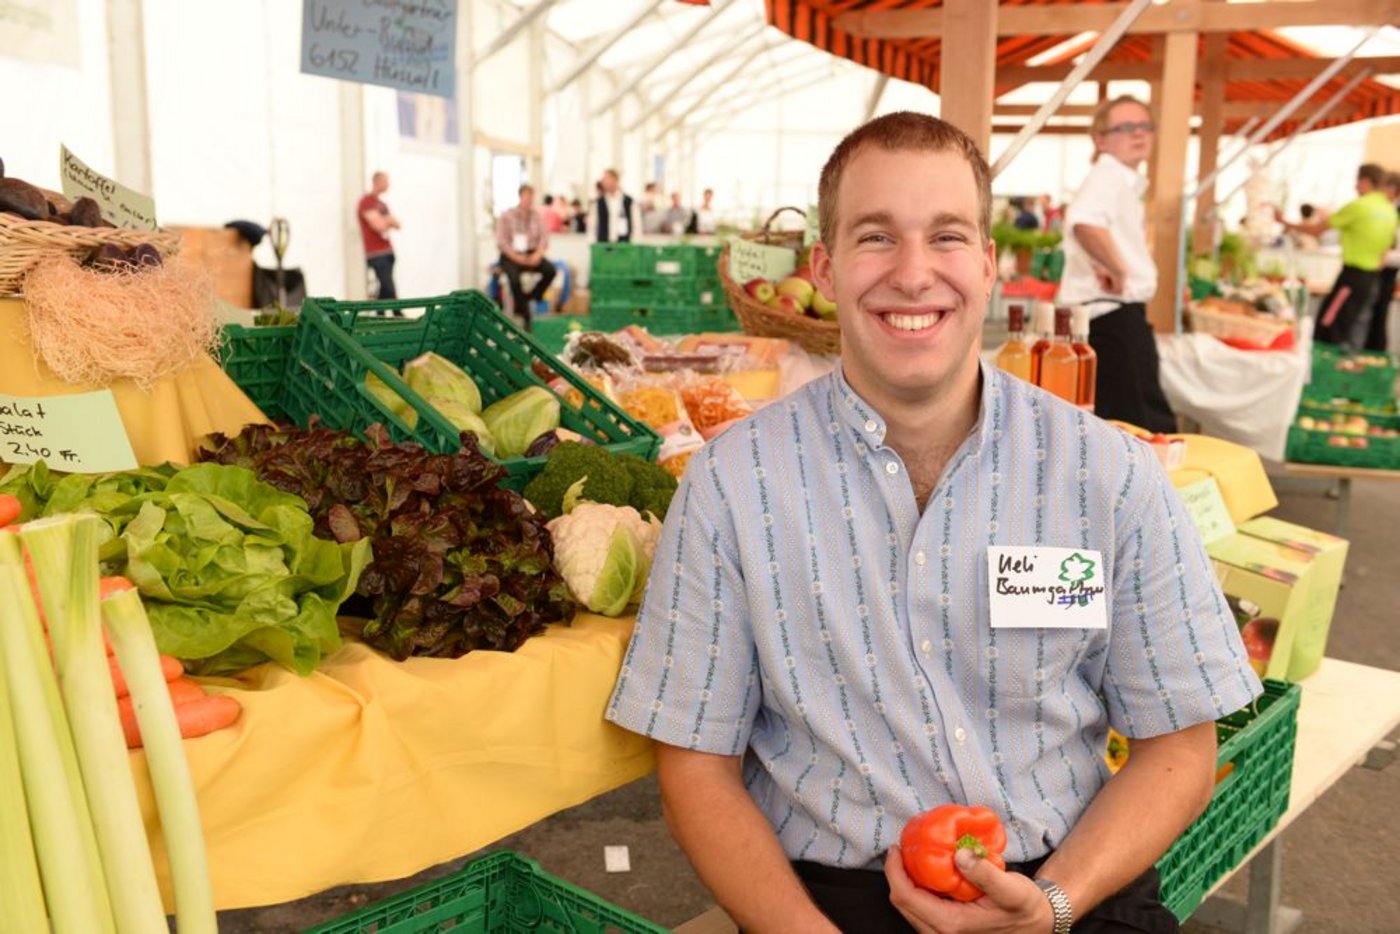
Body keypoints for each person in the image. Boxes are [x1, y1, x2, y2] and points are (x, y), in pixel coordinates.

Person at [607, 111, 1260, 934]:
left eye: (947, 236)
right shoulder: (735, 486)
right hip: (829, 905)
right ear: (826, 267)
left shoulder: (1109, 476)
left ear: (988, 266)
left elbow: (1178, 750)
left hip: (1070, 890)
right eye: (876, 237)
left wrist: (1053, 905)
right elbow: (695, 767)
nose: (914, 275)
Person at [1058, 95, 1176, 433]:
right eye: (1125, 128)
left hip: (1109, 317)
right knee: (1143, 430)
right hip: (1113, 318)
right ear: (1101, 140)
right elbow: (1084, 222)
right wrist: (1119, 270)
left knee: (1124, 429)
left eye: (1144, 127)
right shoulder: (1109, 175)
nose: (1138, 134)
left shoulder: (1118, 179)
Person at [1276, 163, 1398, 349]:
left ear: (1365, 181)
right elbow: (1386, 251)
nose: (1355, 187)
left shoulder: (1360, 206)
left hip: (1352, 276)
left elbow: (1317, 230)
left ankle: (1321, 372)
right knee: (1349, 326)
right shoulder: (1389, 211)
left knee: (1329, 325)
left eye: (1357, 182)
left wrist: (1284, 221)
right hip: (1372, 279)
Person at [494, 183, 555, 330]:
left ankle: (531, 298)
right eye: (526, 196)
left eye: (531, 197)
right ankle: (525, 313)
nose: (529, 200)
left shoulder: (538, 216)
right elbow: (502, 242)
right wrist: (517, 258)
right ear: (520, 196)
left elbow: (544, 239)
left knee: (550, 270)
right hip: (511, 255)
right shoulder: (506, 215)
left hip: (531, 253)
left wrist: (537, 255)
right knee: (514, 279)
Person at [1363, 170, 1400, 353]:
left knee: (1378, 316)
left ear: (1392, 189)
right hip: (1381, 270)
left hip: (1386, 272)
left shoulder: (1394, 212)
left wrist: (1383, 258)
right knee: (1374, 315)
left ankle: (1376, 355)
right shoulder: (1389, 211)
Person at [358, 171, 401, 302]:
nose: (388, 184)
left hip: (387, 250)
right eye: (386, 181)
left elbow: (397, 224)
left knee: (385, 286)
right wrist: (386, 221)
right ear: (378, 182)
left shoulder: (382, 204)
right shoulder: (366, 202)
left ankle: (381, 313)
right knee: (387, 285)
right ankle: (396, 313)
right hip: (376, 253)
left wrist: (384, 220)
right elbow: (379, 226)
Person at [594, 169, 639, 243]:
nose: (603, 182)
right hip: (603, 246)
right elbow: (593, 227)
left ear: (615, 179)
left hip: (625, 246)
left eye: (606, 178)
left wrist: (636, 243)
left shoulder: (629, 201)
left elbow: (636, 226)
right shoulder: (598, 202)